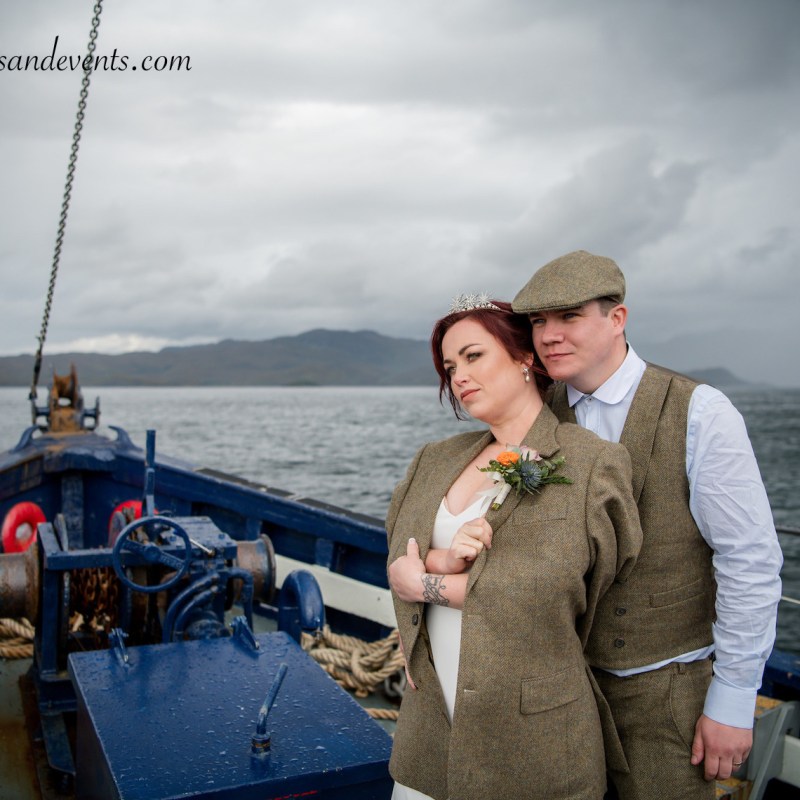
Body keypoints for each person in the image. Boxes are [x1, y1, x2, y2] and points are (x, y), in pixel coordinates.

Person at [511, 250, 783, 800]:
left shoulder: (699, 411)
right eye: (538, 322)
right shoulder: (536, 413)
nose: (549, 336)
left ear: (617, 319)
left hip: (665, 693)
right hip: (563, 687)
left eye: (568, 317)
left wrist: (732, 699)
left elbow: (749, 560)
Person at [386, 294, 643, 800]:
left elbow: (540, 592)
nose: (458, 375)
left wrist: (421, 583)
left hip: (533, 740)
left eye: (474, 355)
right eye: (449, 365)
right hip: (429, 731)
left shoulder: (591, 465)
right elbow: (401, 549)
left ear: (525, 356)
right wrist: (435, 562)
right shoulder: (433, 460)